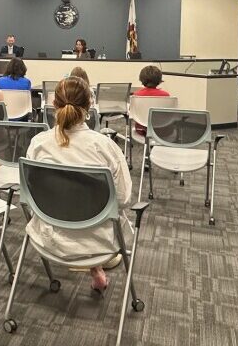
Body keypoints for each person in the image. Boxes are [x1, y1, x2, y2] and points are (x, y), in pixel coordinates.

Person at [24, 76, 131, 293]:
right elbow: (123, 199)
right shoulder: (104, 146)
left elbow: (30, 194)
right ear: (89, 105)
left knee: (68, 199)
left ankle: (95, 268)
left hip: (49, 238)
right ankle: (95, 267)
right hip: (99, 243)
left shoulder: (38, 144)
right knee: (92, 206)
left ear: (54, 105)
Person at [132, 65, 171, 136]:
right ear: (159, 79)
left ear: (142, 79)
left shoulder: (136, 95)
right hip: (162, 130)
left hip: (142, 130)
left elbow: (132, 113)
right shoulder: (166, 96)